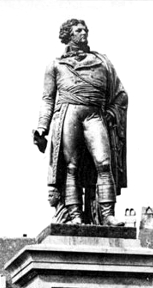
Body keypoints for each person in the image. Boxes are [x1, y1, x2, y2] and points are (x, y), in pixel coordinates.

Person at [34, 19, 128, 226]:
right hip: (69, 114)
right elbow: (47, 98)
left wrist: (112, 113)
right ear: (67, 35)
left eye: (85, 29)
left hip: (95, 115)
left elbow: (121, 94)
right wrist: (42, 127)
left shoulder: (103, 62)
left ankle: (107, 215)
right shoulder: (55, 65)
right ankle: (74, 215)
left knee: (105, 163)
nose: (84, 33)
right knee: (71, 167)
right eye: (78, 30)